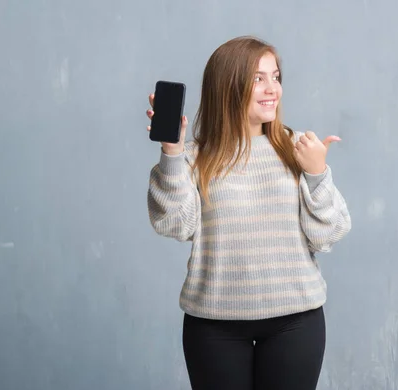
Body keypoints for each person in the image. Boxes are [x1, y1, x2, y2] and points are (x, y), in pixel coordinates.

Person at [145, 36, 351, 390]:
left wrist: (317, 174)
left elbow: (328, 234)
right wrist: (172, 152)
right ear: (228, 86)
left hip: (295, 320)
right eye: (258, 78)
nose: (272, 89)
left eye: (276, 77)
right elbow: (175, 225)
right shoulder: (195, 157)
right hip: (214, 324)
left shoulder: (298, 148)